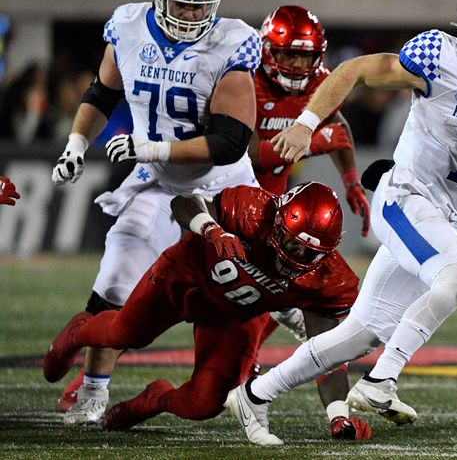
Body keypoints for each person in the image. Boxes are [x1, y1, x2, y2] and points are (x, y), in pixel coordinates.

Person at [225, 0, 457, 445]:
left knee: (362, 332)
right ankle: (382, 380)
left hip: (443, 213)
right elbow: (352, 71)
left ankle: (255, 394)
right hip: (403, 194)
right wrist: (307, 124)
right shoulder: (439, 56)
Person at [50, 0, 261, 425]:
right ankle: (92, 391)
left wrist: (151, 149)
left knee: (257, 291)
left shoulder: (232, 41)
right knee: (114, 283)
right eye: (181, 3)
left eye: (199, 4)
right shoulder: (127, 27)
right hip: (158, 187)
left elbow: (229, 142)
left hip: (225, 190)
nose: (191, 14)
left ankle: (273, 380)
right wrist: (76, 145)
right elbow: (102, 94)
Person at [43, 182, 371, 442]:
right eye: (289, 241)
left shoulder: (331, 281)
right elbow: (183, 202)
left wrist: (338, 413)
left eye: (306, 252)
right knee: (123, 334)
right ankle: (77, 332)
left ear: (328, 252)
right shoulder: (255, 209)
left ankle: (155, 398)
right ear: (278, 218)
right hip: (188, 275)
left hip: (233, 316)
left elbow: (323, 354)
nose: (292, 255)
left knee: (205, 403)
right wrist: (211, 229)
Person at [248, 5, 370, 346]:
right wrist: (314, 143)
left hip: (272, 197)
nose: (300, 66)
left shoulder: (319, 80)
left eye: (307, 57)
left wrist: (350, 181)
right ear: (268, 50)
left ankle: (258, 347)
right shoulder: (245, 79)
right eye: (289, 55)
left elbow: (337, 126)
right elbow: (245, 153)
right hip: (228, 194)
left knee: (290, 274)